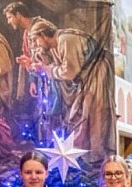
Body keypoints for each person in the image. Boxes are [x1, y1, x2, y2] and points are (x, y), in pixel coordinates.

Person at [29, 20, 115, 162]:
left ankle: (94, 155)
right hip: (86, 77)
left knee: (92, 113)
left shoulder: (65, 39)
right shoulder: (55, 45)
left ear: (44, 35)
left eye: (36, 40)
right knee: (80, 114)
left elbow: (69, 72)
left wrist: (48, 69)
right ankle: (84, 154)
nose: (37, 44)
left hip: (96, 73)